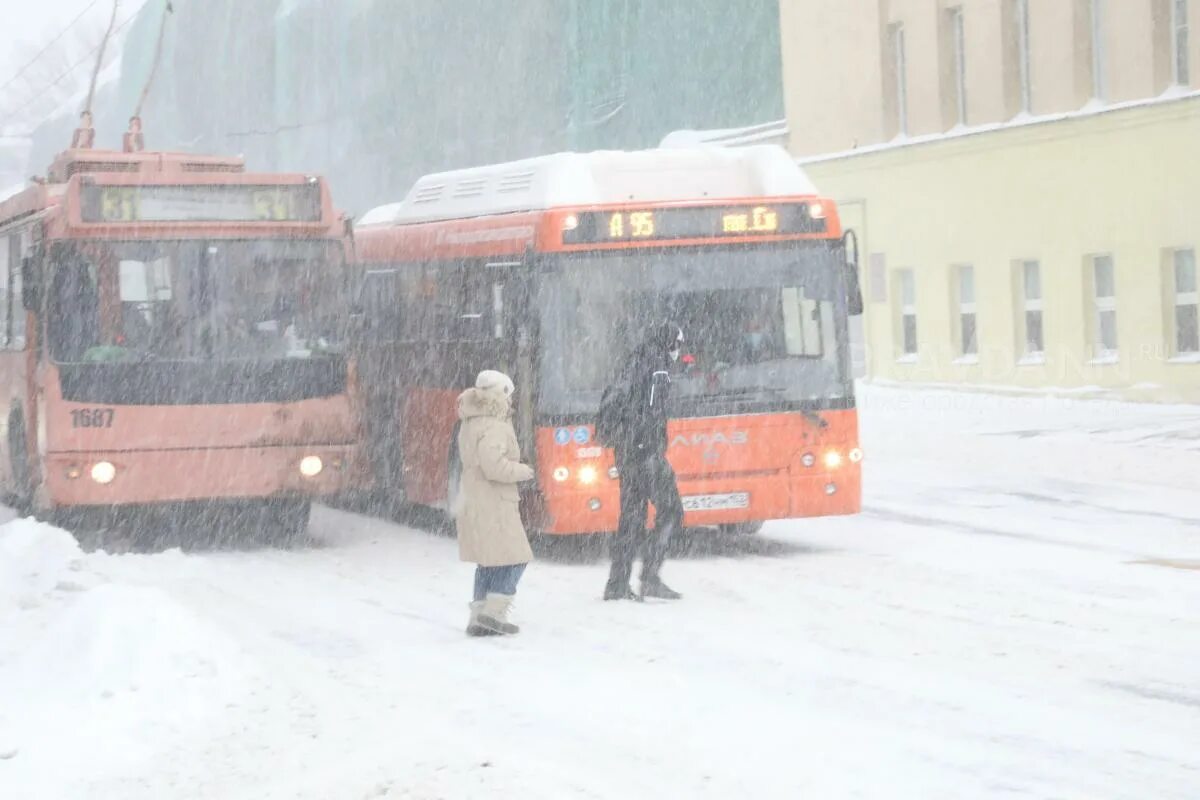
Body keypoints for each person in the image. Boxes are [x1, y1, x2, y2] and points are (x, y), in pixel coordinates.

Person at [603, 322, 686, 601]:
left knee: (632, 518)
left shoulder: (635, 360)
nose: (679, 351)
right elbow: (652, 409)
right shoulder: (658, 366)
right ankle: (650, 577)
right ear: (670, 343)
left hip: (626, 450)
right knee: (672, 511)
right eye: (678, 344)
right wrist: (649, 444)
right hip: (645, 451)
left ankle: (617, 584)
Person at [455, 370, 535, 635]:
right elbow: (494, 467)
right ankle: (495, 612)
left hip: (474, 498)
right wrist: (525, 470)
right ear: (501, 394)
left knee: (488, 560)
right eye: (509, 395)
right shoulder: (495, 425)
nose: (511, 401)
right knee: (516, 557)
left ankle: (478, 617)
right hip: (495, 500)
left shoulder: (471, 420)